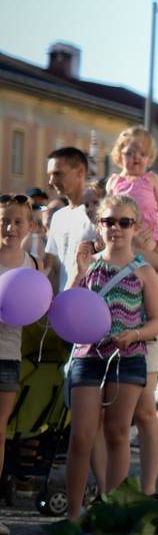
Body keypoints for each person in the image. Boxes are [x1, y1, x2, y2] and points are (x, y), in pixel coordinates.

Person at [62, 193, 158, 518]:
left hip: (128, 356)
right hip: (88, 355)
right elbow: (65, 309)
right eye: (109, 221)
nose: (116, 228)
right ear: (99, 226)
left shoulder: (144, 271)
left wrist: (133, 335)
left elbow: (157, 322)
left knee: (118, 432)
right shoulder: (88, 264)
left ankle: (110, 514)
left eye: (124, 222)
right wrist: (78, 274)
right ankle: (73, 515)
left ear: (135, 227)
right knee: (82, 435)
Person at [0, 197, 38, 498]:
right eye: (4, 221)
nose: (10, 227)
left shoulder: (33, 265)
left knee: (0, 431)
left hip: (9, 357)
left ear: (30, 226)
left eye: (17, 222)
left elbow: (37, 306)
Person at [106, 126, 158, 274]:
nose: (136, 157)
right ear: (119, 155)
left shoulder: (151, 179)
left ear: (149, 158)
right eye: (130, 153)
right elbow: (105, 210)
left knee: (147, 265)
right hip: (122, 233)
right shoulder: (114, 182)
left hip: (147, 233)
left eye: (143, 154)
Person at [43, 147, 99, 294]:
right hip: (63, 302)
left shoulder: (99, 216)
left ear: (80, 172)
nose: (51, 181)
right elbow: (55, 269)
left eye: (57, 174)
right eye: (50, 175)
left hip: (90, 301)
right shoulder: (58, 217)